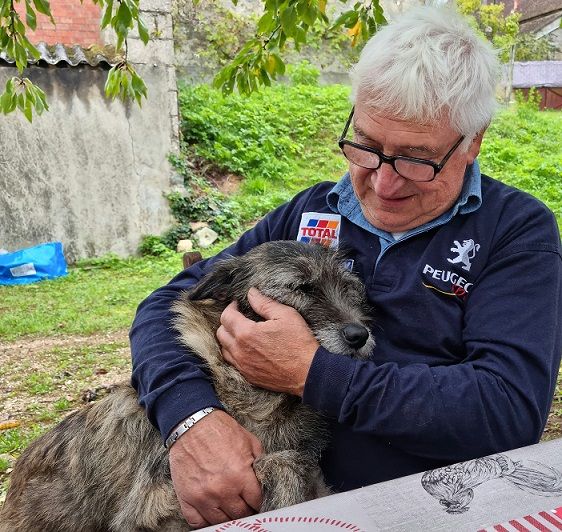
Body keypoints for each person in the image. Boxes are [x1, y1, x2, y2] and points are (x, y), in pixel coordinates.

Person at [130, 5, 562, 529]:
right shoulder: (308, 213)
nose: (383, 183)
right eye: (367, 146)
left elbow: (505, 411)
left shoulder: (515, 231)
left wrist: (311, 372)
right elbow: (165, 305)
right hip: (276, 500)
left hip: (425, 510)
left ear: (473, 142)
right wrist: (191, 418)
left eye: (416, 159)